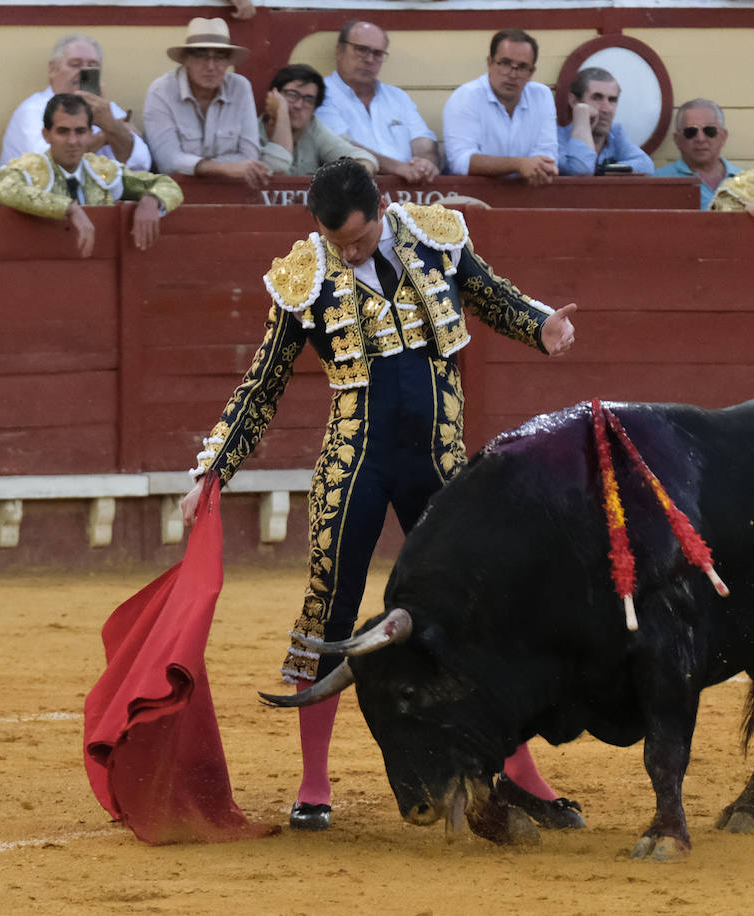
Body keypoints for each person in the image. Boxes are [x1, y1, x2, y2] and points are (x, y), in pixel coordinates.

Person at [179, 159, 581, 834]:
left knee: (477, 615)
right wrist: (213, 467)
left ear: (382, 211)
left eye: (360, 241)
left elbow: (491, 295)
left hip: (439, 464)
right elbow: (263, 382)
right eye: (336, 243)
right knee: (328, 609)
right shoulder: (305, 275)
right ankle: (313, 784)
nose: (349, 253)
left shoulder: (435, 238)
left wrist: (540, 325)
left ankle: (521, 776)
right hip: (354, 465)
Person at [0, 94, 183, 257]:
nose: (72, 141)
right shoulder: (30, 168)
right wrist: (68, 208)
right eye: (63, 132)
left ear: (90, 134)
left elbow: (167, 185)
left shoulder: (102, 170)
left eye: (80, 131)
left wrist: (151, 200)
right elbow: (1, 187)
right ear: (46, 135)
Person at [143, 17, 270, 188]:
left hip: (229, 190)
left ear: (228, 62)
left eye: (219, 57)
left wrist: (197, 166)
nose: (211, 66)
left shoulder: (240, 88)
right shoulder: (161, 91)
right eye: (201, 56)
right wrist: (225, 168)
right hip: (174, 192)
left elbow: (249, 155)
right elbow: (168, 161)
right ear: (186, 60)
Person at [313, 21, 440, 185]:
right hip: (352, 189)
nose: (369, 59)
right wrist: (397, 168)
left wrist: (426, 164)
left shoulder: (397, 96)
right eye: (361, 49)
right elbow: (336, 145)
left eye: (378, 53)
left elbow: (423, 140)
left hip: (410, 189)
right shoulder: (322, 93)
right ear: (339, 50)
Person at [0, 34, 150, 171]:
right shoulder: (33, 110)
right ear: (53, 69)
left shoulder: (107, 109)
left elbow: (141, 163)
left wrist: (112, 127)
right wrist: (109, 131)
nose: (84, 72)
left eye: (92, 66)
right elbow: (49, 165)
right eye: (75, 65)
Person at [442, 29, 558, 185]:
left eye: (522, 67)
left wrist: (533, 166)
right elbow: (460, 161)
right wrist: (519, 165)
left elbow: (547, 154)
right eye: (505, 63)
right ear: (489, 63)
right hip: (473, 195)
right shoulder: (466, 97)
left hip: (529, 191)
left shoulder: (542, 95)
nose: (512, 74)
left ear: (532, 72)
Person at [260, 64, 376, 176]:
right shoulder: (254, 131)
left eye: (308, 99)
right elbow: (277, 168)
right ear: (273, 96)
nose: (298, 105)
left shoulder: (313, 127)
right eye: (292, 95)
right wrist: (282, 116)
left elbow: (362, 157)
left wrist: (357, 174)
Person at [556, 67, 654, 176]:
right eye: (597, 97)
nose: (606, 109)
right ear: (574, 101)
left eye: (612, 100)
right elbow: (581, 170)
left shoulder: (615, 133)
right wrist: (582, 123)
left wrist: (603, 169)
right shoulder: (556, 139)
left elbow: (646, 165)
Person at [654, 99, 740, 210]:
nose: (700, 139)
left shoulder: (747, 181)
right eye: (690, 132)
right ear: (677, 139)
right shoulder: (659, 183)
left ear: (723, 136)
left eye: (709, 131)